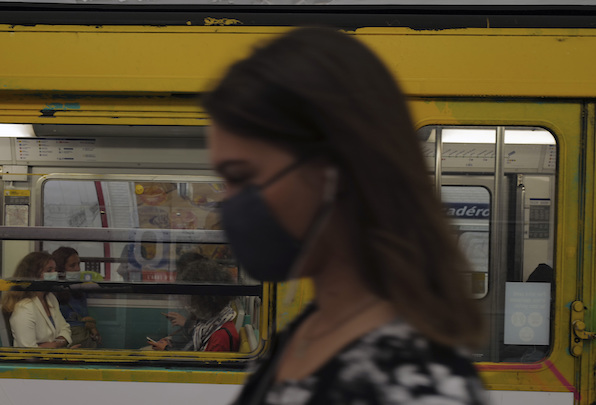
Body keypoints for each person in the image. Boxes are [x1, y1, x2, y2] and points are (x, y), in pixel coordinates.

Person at [203, 27, 487, 404]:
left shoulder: (416, 383)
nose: (228, 206)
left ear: (336, 170)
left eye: (242, 177)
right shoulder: (312, 328)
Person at [148, 253, 239, 352]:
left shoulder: (221, 336)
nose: (188, 303)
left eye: (190, 297)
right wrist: (172, 345)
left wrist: (167, 350)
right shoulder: (209, 323)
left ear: (202, 299)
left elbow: (200, 366)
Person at [0, 251, 73, 348]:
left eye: (55, 270)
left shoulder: (50, 298)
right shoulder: (24, 308)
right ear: (33, 275)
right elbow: (29, 353)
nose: (54, 274)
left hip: (51, 357)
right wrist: (58, 345)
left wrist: (54, 344)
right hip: (35, 362)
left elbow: (65, 329)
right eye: (49, 270)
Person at [52, 246, 101, 348]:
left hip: (84, 336)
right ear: (61, 269)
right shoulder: (53, 294)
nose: (78, 269)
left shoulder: (79, 289)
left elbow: (84, 315)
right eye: (72, 266)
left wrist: (92, 328)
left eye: (78, 264)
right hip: (67, 339)